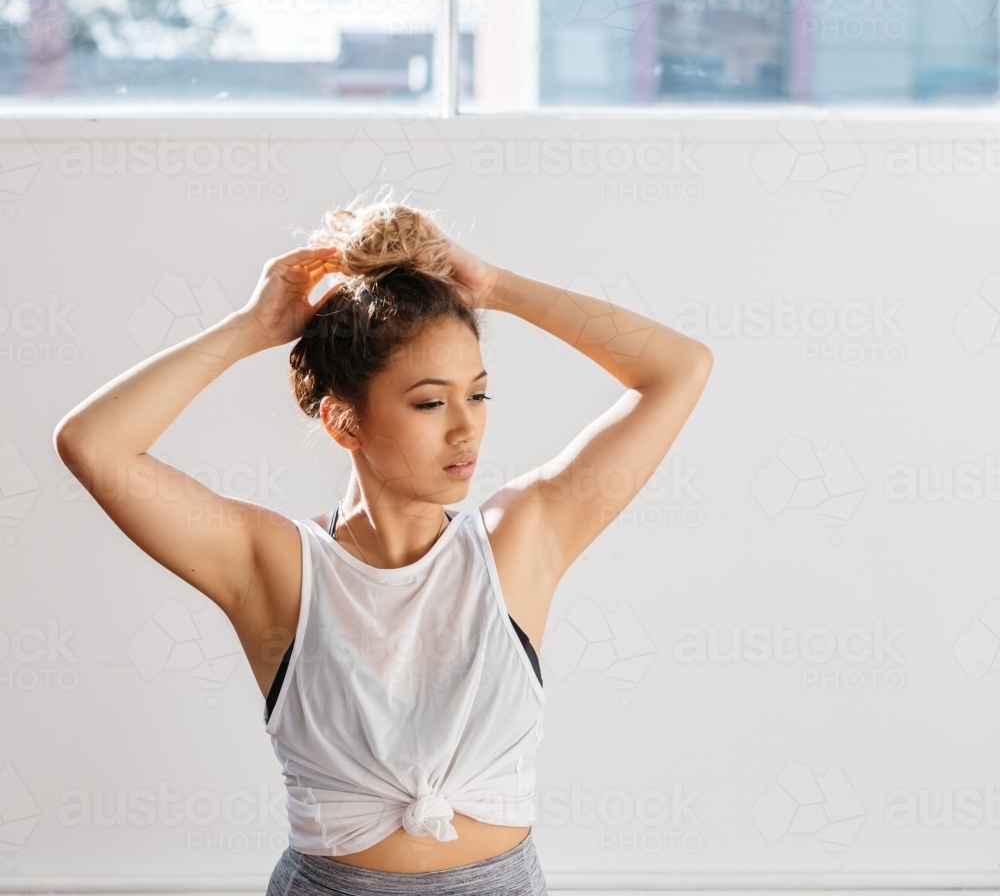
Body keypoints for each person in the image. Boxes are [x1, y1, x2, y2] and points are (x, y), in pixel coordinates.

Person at [53, 198, 713, 896]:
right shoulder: (276, 565)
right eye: (430, 403)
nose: (467, 431)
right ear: (343, 421)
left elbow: (680, 367)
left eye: (479, 396)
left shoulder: (520, 540)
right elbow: (93, 444)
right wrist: (251, 328)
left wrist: (494, 288)